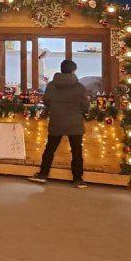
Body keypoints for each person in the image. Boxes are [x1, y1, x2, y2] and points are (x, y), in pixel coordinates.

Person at [28, 59, 90, 188]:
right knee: (77, 152)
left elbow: (46, 101)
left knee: (50, 149)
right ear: (73, 70)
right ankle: (78, 179)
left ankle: (42, 175)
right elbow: (85, 106)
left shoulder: (51, 85)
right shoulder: (79, 87)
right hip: (75, 123)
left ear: (61, 69)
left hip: (56, 121)